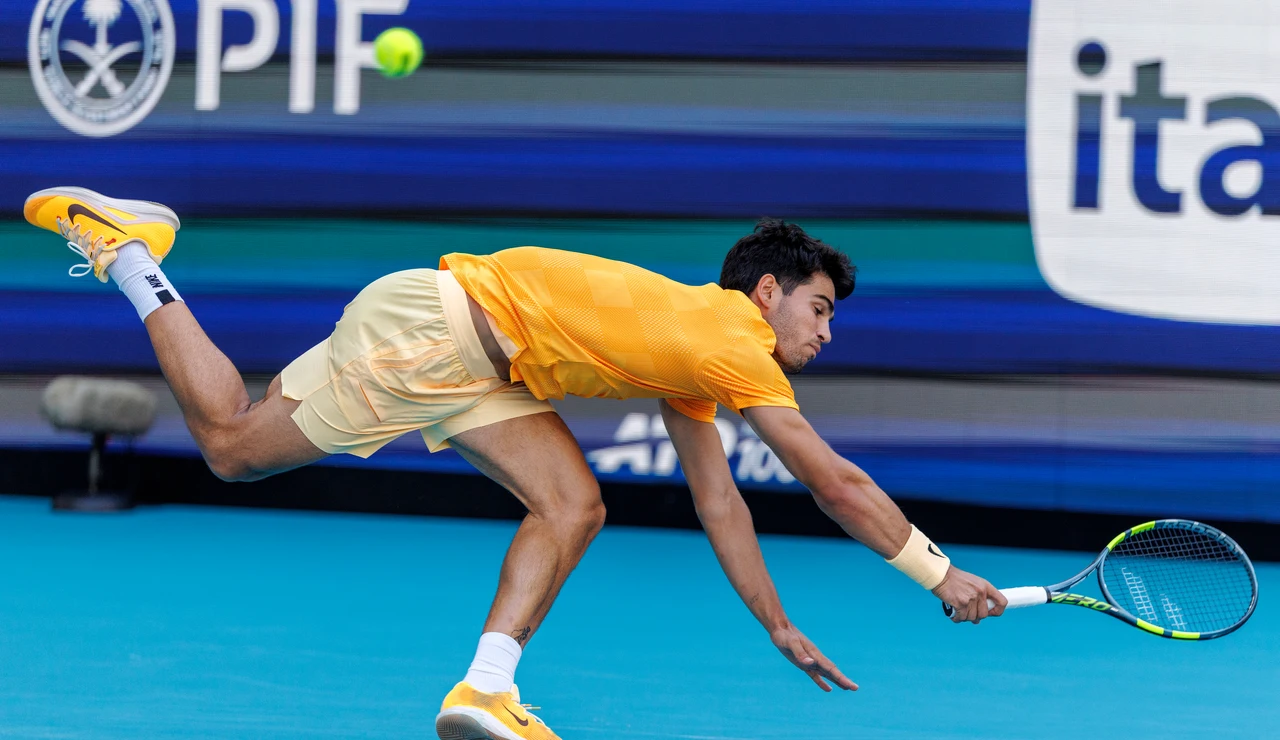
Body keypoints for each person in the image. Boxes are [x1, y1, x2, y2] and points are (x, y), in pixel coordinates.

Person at [25, 187, 1007, 740]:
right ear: (765, 294)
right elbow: (833, 482)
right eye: (819, 308)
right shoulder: (732, 346)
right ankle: (130, 255)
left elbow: (721, 504)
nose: (825, 332)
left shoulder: (700, 353)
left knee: (574, 503)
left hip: (470, 356)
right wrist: (936, 571)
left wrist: (777, 624)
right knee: (233, 447)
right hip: (436, 337)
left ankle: (484, 689)